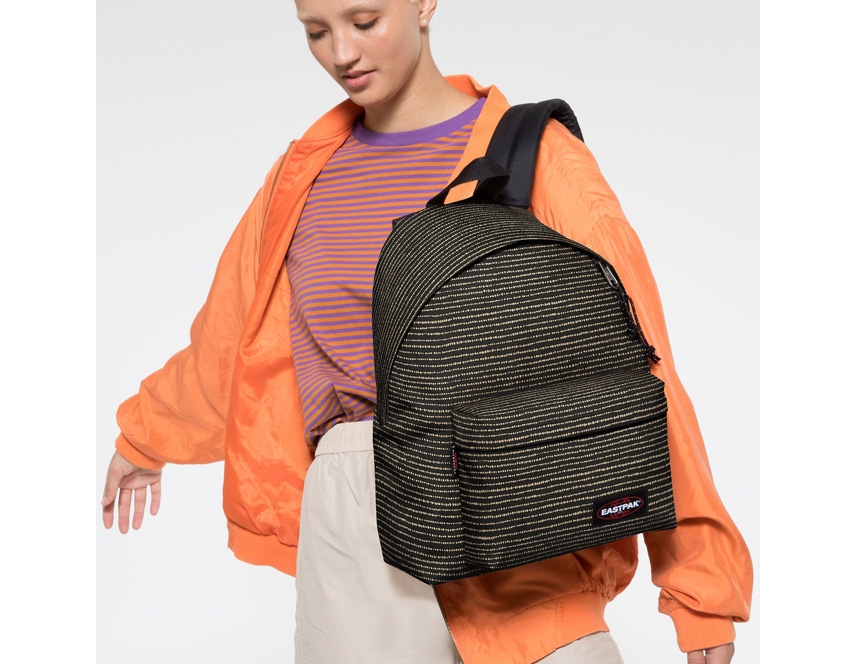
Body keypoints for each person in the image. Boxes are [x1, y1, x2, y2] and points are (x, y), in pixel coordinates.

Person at [100, 1, 753, 662]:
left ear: (423, 4)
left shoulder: (534, 156)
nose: (342, 53)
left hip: (521, 506)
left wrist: (701, 586)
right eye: (317, 32)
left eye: (364, 21)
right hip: (363, 517)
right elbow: (230, 342)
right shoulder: (304, 177)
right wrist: (146, 436)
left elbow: (642, 364)